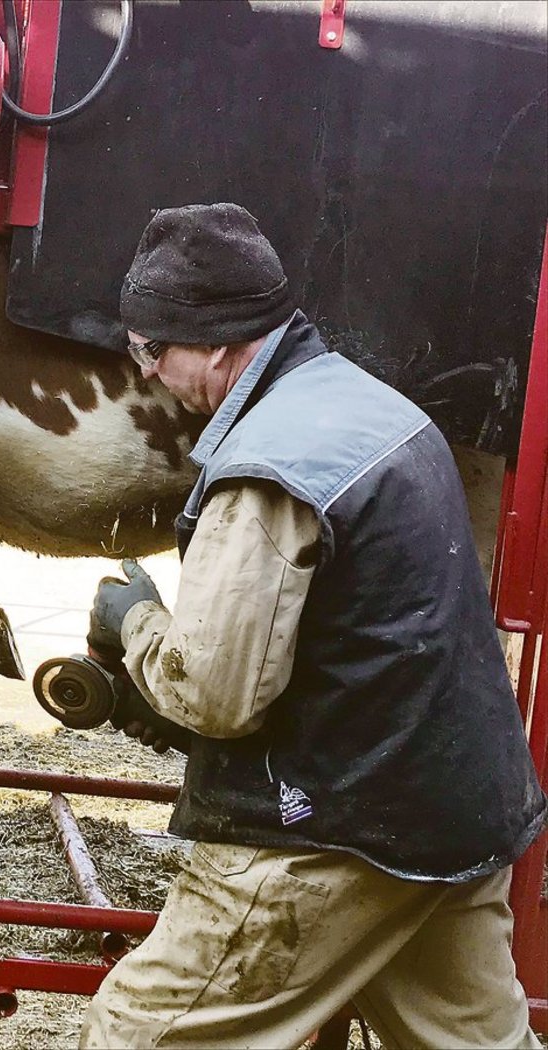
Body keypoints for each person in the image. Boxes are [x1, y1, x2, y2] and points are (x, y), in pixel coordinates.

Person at [78, 203, 547, 1049]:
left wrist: (135, 621)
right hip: (456, 807)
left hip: (339, 823)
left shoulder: (270, 465)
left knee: (137, 1034)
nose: (147, 371)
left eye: (152, 348)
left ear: (215, 340)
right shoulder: (375, 410)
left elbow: (214, 694)